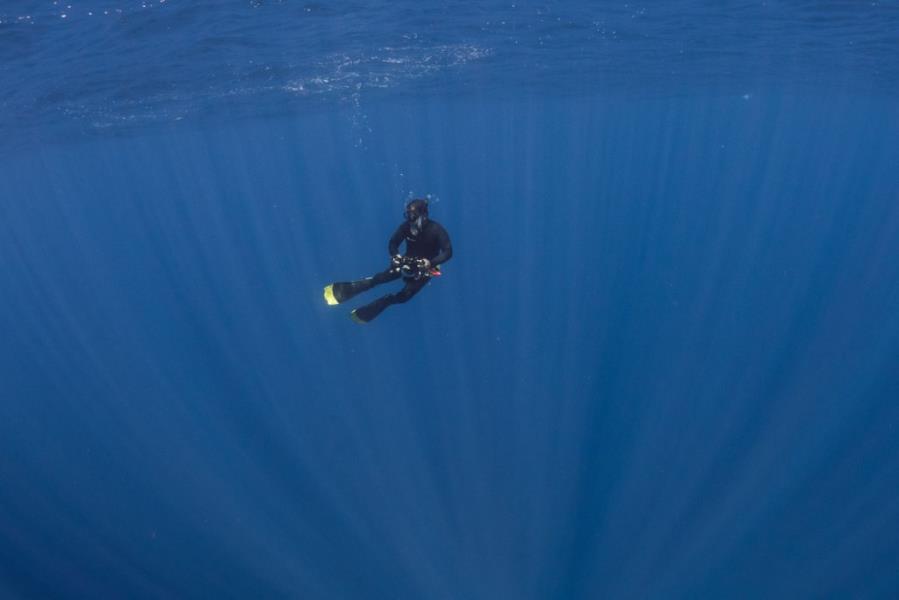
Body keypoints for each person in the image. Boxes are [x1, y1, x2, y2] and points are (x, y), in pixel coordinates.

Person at [323, 198, 453, 323]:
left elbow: (448, 252)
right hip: (407, 261)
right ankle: (359, 286)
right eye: (407, 215)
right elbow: (393, 243)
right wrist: (395, 256)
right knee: (380, 279)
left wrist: (430, 263)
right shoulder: (406, 227)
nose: (410, 219)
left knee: (404, 296)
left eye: (413, 216)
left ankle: (386, 300)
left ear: (423, 215)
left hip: (426, 269)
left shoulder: (436, 230)